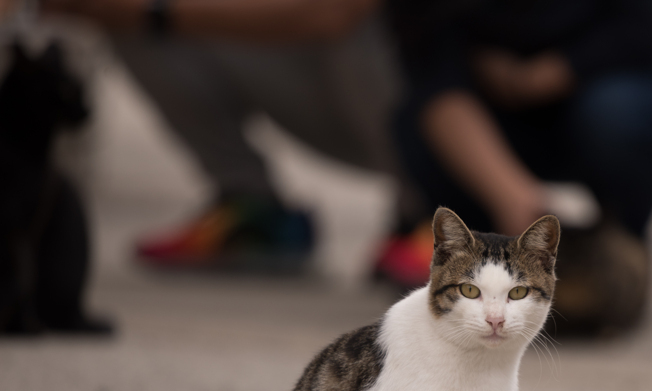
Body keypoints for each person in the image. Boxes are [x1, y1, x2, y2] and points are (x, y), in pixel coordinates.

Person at [388, 0, 652, 333]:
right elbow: (437, 87)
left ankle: (624, 245)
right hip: (520, 98)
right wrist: (514, 199)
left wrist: (555, 70)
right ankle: (484, 263)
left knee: (612, 115)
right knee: (414, 131)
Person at [41, 0, 414, 271]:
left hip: (443, 110)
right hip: (337, 91)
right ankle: (253, 215)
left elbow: (337, 13)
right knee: (127, 16)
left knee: (369, 22)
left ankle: (434, 213)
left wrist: (158, 12)